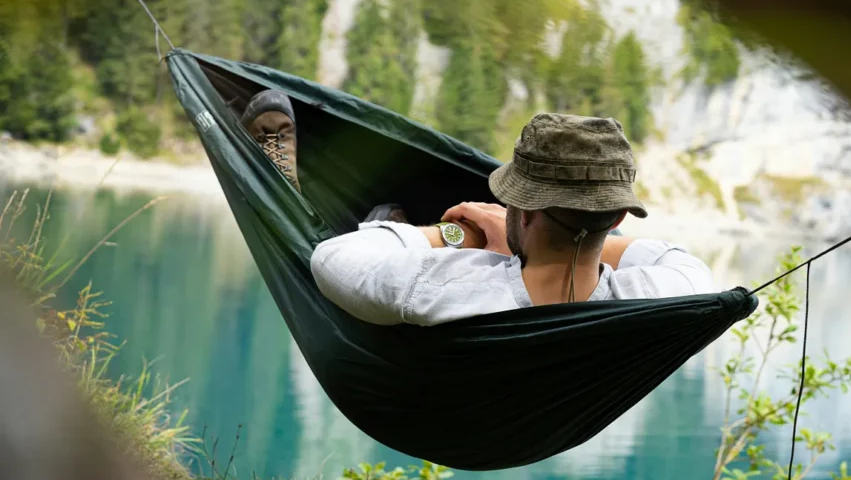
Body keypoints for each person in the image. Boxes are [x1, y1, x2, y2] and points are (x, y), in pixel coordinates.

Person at [240, 91, 714, 326]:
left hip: (411, 380)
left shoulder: (439, 286)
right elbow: (677, 259)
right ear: (617, 218)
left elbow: (330, 259)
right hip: (533, 415)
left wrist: (457, 237)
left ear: (520, 207)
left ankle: (288, 190)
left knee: (357, 228)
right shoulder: (656, 298)